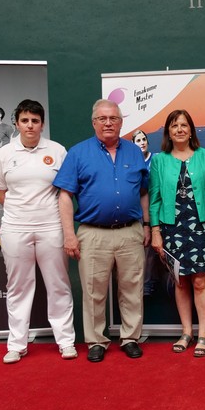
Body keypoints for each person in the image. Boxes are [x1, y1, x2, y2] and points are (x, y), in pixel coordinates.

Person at [53, 99, 150, 362]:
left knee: (132, 289)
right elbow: (64, 196)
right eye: (103, 118)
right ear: (94, 122)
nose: (108, 123)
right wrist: (69, 234)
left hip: (130, 232)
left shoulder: (134, 152)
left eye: (114, 118)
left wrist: (147, 224)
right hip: (92, 234)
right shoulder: (77, 153)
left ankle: (130, 337)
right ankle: (97, 340)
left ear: (121, 122)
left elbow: (143, 191)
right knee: (94, 291)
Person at [0, 99, 77, 364]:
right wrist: (22, 211)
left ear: (42, 123)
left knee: (58, 285)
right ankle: (17, 344)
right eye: (25, 120)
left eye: (35, 121)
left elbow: (65, 191)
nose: (30, 125)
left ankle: (66, 341)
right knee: (18, 287)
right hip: (15, 228)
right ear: (17, 123)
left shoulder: (57, 150)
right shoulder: (4, 153)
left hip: (52, 227)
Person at [149, 109, 205, 358]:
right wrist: (155, 231)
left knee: (200, 280)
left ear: (191, 130)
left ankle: (203, 334)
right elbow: (155, 199)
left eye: (184, 125)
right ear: (168, 131)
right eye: (174, 125)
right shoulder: (159, 160)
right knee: (180, 282)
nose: (179, 129)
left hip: (203, 226)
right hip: (172, 227)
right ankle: (186, 332)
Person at [133, 129, 158, 295]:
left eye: (144, 139)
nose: (142, 142)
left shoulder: (156, 159)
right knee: (145, 248)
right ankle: (144, 284)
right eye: (138, 140)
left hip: (157, 206)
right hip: (140, 210)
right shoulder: (133, 161)